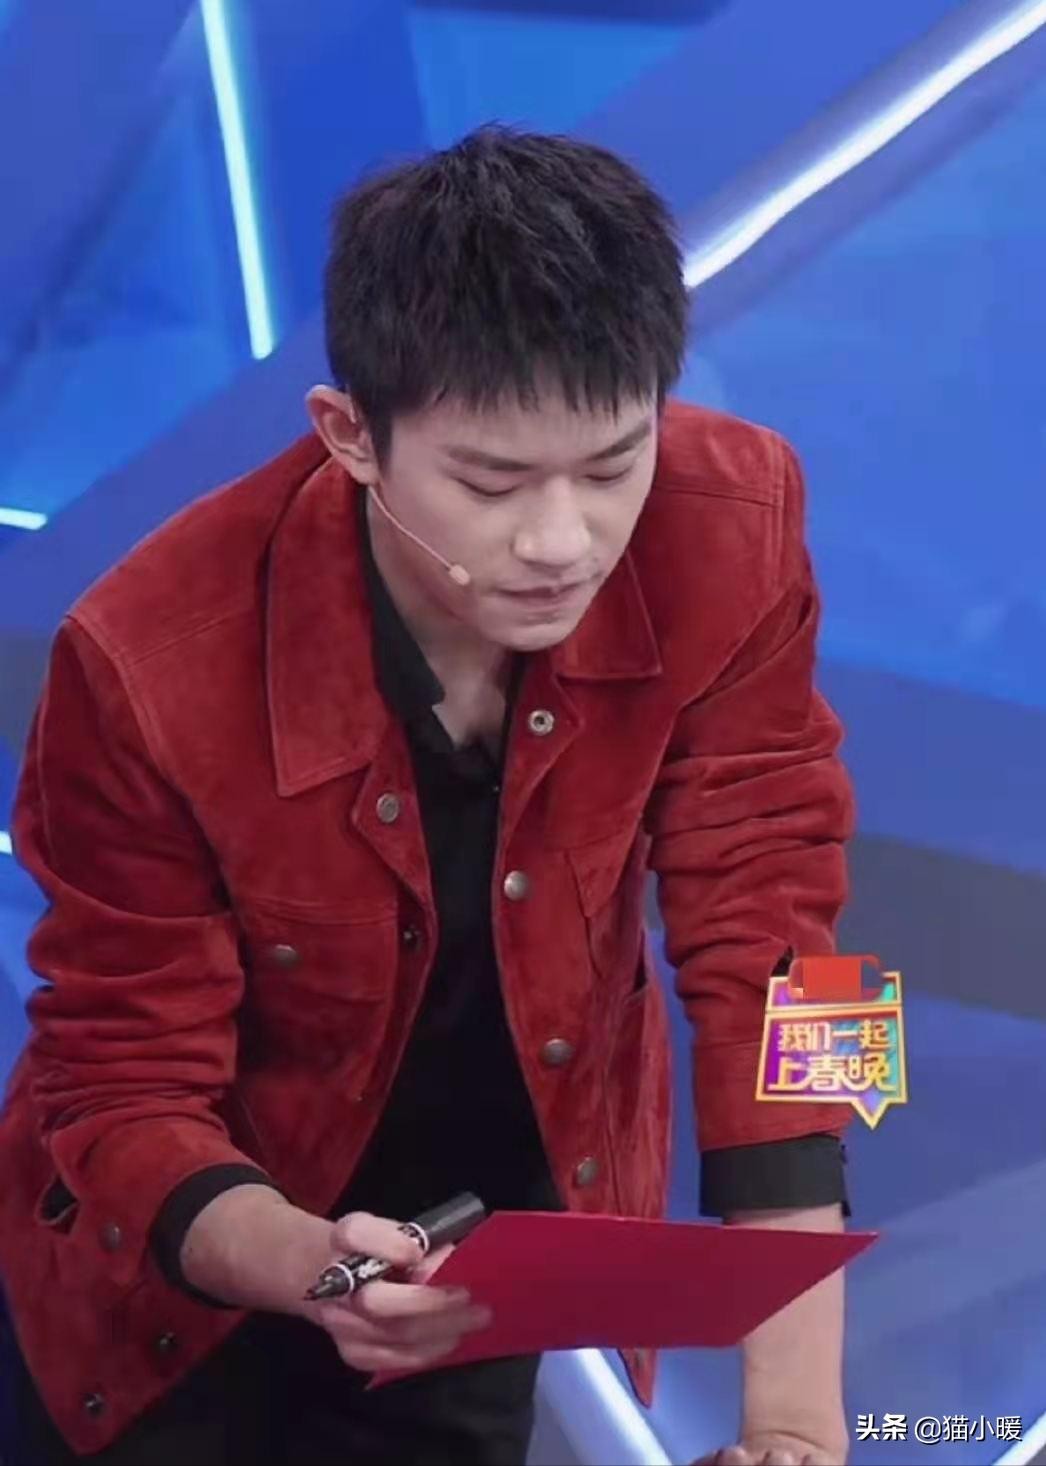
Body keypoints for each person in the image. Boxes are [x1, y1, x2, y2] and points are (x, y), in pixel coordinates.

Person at [0, 125, 854, 1466]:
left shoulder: (736, 524)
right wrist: (317, 1267)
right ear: (349, 435)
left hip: (486, 1270)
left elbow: (796, 952)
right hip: (159, 1301)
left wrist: (799, 1415)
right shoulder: (149, 659)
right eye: (490, 482)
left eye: (612, 465)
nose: (562, 541)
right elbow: (115, 1077)